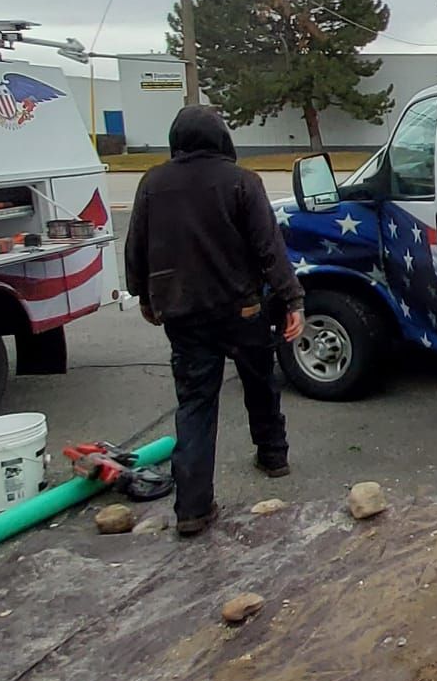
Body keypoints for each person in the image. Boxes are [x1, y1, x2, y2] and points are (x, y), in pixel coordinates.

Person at [125, 106, 304, 537]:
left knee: (195, 404)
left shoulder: (153, 182)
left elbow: (137, 248)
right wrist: (293, 299)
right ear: (222, 139)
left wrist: (144, 298)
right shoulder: (243, 181)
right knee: (260, 382)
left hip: (182, 312)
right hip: (242, 309)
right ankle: (273, 456)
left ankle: (192, 509)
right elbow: (269, 249)